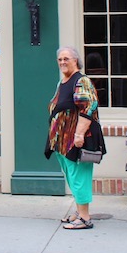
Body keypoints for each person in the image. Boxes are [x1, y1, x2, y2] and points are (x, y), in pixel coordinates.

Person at [44, 46, 99, 230]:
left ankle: (84, 217)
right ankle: (78, 211)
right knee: (71, 175)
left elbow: (88, 107)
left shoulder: (81, 81)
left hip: (76, 138)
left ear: (76, 60)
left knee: (79, 176)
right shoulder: (63, 82)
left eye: (66, 58)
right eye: (59, 59)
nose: (62, 62)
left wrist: (79, 134)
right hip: (61, 140)